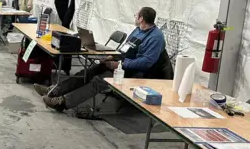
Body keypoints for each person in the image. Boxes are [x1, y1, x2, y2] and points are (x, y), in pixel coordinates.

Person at [35, 7, 166, 111]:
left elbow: (147, 63)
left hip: (134, 72)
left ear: (141, 18)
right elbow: (125, 49)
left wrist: (120, 64)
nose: (135, 18)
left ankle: (62, 102)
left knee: (99, 80)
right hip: (122, 64)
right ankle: (54, 90)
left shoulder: (156, 37)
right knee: (88, 72)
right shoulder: (138, 30)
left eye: (136, 15)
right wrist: (112, 57)